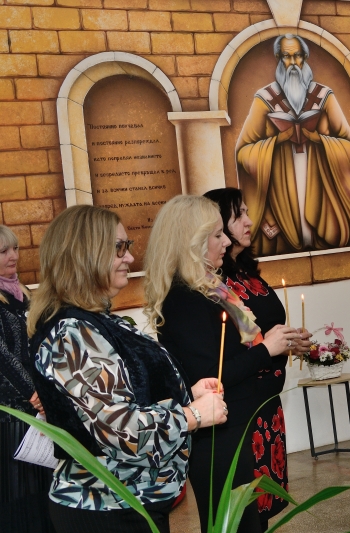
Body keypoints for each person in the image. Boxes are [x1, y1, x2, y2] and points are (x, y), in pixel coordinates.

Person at [28, 205, 227, 533]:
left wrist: (186, 395)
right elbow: (120, 430)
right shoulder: (73, 333)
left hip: (131, 500)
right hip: (105, 505)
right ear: (86, 254)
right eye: (119, 248)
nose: (130, 258)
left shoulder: (96, 320)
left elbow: (127, 393)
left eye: (128, 246)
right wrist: (193, 415)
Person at [143, 195, 306, 533]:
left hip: (239, 423)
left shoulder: (209, 288)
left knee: (250, 522)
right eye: (217, 235)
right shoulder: (183, 299)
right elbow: (212, 376)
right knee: (235, 524)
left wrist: (273, 346)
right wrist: (266, 349)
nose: (227, 242)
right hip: (219, 435)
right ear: (192, 242)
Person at [204, 187, 310, 529]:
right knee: (245, 512)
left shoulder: (247, 272)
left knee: (261, 511)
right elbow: (230, 351)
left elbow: (260, 333)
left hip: (267, 406)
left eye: (248, 213)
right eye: (239, 216)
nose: (249, 222)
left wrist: (289, 343)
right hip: (240, 409)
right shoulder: (212, 282)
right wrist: (270, 347)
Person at [235, 32, 350, 256]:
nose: (293, 63)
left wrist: (319, 140)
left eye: (298, 56)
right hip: (281, 190)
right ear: (278, 58)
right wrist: (276, 141)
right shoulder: (265, 98)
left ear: (305, 57)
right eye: (287, 56)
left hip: (320, 184)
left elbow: (349, 145)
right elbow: (243, 151)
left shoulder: (324, 95)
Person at [0, 225, 55, 533]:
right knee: (18, 493)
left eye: (16, 248)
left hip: (36, 408)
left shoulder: (22, 292)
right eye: (3, 251)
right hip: (10, 414)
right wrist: (32, 391)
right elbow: (2, 355)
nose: (13, 256)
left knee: (42, 487)